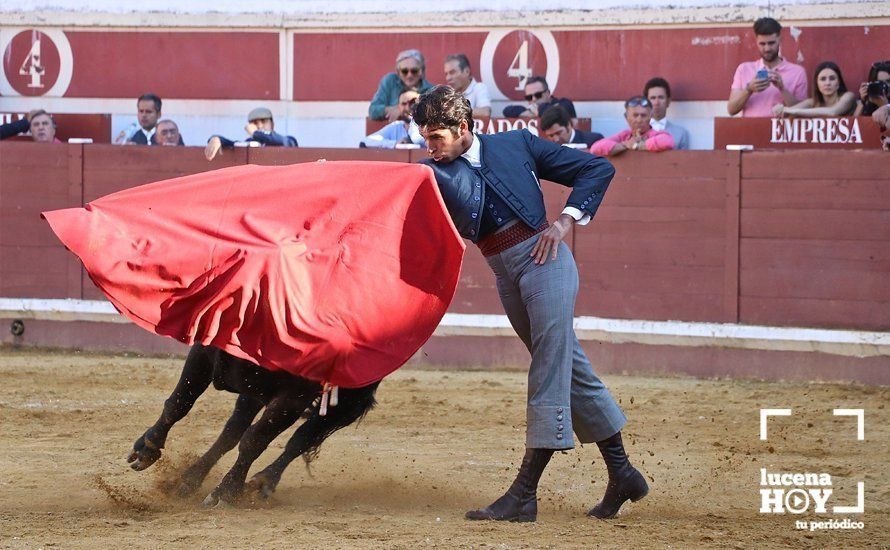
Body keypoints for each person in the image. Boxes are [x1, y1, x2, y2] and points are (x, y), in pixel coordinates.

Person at [414, 85, 647, 522]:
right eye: (426, 138)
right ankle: (623, 472)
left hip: (547, 261)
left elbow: (595, 169)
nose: (430, 148)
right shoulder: (434, 171)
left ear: (462, 128)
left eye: (436, 138)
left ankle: (524, 492)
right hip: (507, 276)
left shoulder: (516, 143)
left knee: (548, 364)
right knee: (567, 364)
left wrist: (563, 222)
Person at [727, 17, 807, 117]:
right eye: (762, 44)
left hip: (781, 131)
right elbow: (731, 110)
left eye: (771, 43)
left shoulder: (797, 72)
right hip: (750, 130)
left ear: (780, 40)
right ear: (756, 42)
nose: (767, 48)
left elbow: (802, 114)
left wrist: (782, 89)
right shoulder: (744, 69)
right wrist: (749, 90)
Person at [590, 96, 674, 156]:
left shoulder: (654, 134)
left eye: (643, 115)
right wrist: (626, 144)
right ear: (627, 117)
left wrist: (636, 146)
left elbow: (667, 141)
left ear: (650, 117)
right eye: (635, 115)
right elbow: (595, 147)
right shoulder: (624, 135)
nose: (639, 120)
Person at [205, 107, 297, 161]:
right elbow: (232, 144)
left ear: (272, 123)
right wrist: (216, 138)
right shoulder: (249, 143)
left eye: (264, 121)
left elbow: (283, 141)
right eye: (255, 123)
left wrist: (255, 132)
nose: (260, 125)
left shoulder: (288, 140)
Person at [772, 61, 857, 118]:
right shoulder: (812, 102)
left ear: (838, 83)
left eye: (832, 78)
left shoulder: (848, 96)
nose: (827, 83)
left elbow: (833, 112)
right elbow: (786, 113)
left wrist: (793, 111)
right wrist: (779, 109)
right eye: (823, 79)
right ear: (817, 84)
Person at [369, 49, 434, 121]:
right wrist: (390, 109)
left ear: (422, 71)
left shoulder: (431, 90)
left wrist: (402, 110)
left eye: (414, 71)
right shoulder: (390, 81)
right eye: (404, 71)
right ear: (398, 72)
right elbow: (373, 110)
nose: (409, 75)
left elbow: (435, 114)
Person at [360, 90, 425, 148]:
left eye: (412, 103)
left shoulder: (427, 126)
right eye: (404, 104)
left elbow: (417, 139)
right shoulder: (396, 126)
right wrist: (395, 144)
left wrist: (414, 119)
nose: (408, 107)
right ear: (398, 107)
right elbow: (366, 141)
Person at [644, 77, 690, 149]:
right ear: (646, 102)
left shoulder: (680, 134)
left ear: (668, 101)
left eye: (661, 97)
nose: (656, 103)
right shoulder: (635, 132)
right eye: (653, 98)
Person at [503, 76, 576, 119]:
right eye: (529, 97)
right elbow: (507, 110)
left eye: (538, 95)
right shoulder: (530, 110)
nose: (534, 99)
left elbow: (559, 111)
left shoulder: (564, 104)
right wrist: (526, 113)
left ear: (548, 93)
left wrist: (538, 111)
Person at [444, 53, 492, 118]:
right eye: (446, 74)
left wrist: (455, 113)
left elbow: (485, 112)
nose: (448, 78)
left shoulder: (479, 88)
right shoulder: (448, 93)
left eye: (452, 72)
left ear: (467, 71)